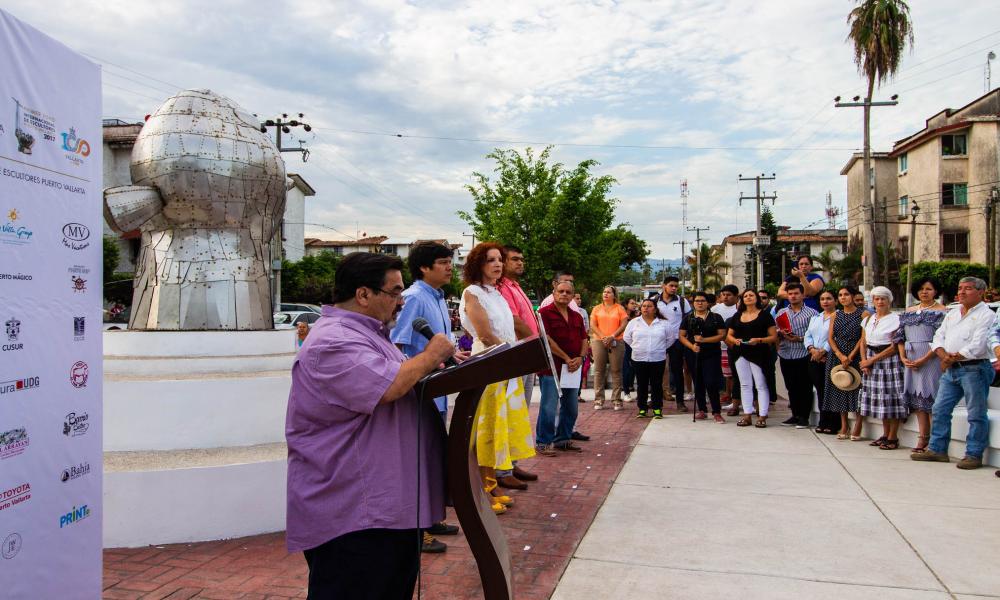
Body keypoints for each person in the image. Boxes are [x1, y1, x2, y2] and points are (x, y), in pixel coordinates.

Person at [285, 252, 456, 599]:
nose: (399, 303)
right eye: (394, 293)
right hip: (355, 512)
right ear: (363, 295)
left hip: (386, 508)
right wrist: (431, 355)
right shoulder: (333, 341)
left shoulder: (371, 335)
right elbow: (389, 386)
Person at [388, 240, 464, 553]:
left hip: (439, 392)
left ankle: (430, 518)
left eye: (450, 262)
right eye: (444, 262)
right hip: (420, 392)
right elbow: (398, 344)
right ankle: (416, 531)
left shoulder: (437, 297)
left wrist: (455, 356)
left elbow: (437, 345)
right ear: (424, 267)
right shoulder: (414, 298)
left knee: (432, 458)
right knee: (417, 461)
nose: (450, 267)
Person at [459, 242, 536, 504]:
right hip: (489, 363)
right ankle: (483, 489)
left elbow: (510, 330)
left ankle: (492, 485)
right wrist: (508, 357)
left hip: (505, 364)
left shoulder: (496, 293)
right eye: (490, 260)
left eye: (499, 260)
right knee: (486, 428)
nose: (497, 264)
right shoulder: (472, 293)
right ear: (478, 264)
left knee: (499, 427)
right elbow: (484, 334)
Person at [913, 277, 996, 469]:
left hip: (975, 368)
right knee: (940, 409)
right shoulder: (952, 313)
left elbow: (978, 344)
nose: (962, 292)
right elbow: (938, 337)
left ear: (980, 292)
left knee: (976, 413)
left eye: (968, 289)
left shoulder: (987, 315)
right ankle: (937, 449)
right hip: (951, 369)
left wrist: (952, 358)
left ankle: (974, 454)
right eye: (960, 288)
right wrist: (945, 357)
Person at [894, 277, 947, 453]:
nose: (924, 292)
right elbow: (899, 337)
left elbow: (941, 339)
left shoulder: (943, 312)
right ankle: (922, 436)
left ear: (936, 291)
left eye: (929, 289)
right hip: (910, 358)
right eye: (922, 289)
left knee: (931, 398)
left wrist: (924, 358)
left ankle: (935, 441)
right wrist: (903, 357)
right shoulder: (908, 311)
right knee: (917, 401)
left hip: (931, 357)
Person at [535, 280, 588, 454]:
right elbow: (547, 340)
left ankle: (563, 439)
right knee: (549, 407)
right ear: (554, 292)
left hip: (573, 369)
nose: (564, 294)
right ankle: (543, 442)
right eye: (561, 291)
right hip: (552, 367)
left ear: (572, 296)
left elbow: (583, 339)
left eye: (568, 292)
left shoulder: (577, 316)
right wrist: (566, 358)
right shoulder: (544, 313)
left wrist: (580, 357)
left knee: (571, 406)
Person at [858, 286, 907, 449]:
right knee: (880, 400)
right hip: (871, 361)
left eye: (883, 299)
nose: (880, 302)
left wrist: (871, 361)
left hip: (888, 362)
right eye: (877, 299)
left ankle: (893, 436)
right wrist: (865, 361)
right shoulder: (868, 319)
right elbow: (863, 342)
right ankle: (885, 434)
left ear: (889, 301)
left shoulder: (897, 319)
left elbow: (894, 346)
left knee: (891, 399)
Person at [725, 289, 778, 427]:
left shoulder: (765, 315)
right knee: (745, 384)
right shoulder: (737, 315)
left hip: (759, 353)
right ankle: (747, 414)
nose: (748, 298)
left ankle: (762, 415)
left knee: (760, 384)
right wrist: (734, 340)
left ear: (757, 298)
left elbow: (773, 336)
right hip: (740, 352)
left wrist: (759, 340)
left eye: (751, 295)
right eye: (745, 296)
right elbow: (729, 334)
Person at [825, 286, 869, 440]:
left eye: (846, 294)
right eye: (840, 295)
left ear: (853, 296)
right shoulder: (835, 315)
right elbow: (830, 337)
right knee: (840, 388)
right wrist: (839, 354)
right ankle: (844, 424)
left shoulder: (863, 314)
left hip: (855, 354)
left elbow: (863, 338)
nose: (843, 297)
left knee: (858, 389)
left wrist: (850, 356)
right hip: (837, 354)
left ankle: (858, 423)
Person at [497, 245, 539, 406]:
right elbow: (514, 321)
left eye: (522, 259)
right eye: (515, 259)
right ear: (504, 262)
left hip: (527, 352)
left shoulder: (515, 286)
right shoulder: (503, 287)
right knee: (515, 408)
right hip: (520, 352)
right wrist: (535, 345)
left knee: (523, 406)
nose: (520, 263)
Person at [679, 291, 727, 422]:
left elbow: (722, 335)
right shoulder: (688, 318)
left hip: (711, 353)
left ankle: (716, 411)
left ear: (708, 303)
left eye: (702, 301)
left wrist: (704, 340)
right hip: (693, 353)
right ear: (693, 303)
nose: (700, 303)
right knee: (698, 381)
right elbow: (682, 335)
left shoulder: (716, 317)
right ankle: (702, 409)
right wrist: (692, 346)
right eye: (697, 301)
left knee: (711, 381)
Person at [775, 283, 819, 428]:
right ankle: (794, 415)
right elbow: (776, 329)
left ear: (803, 295)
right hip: (786, 352)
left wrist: (799, 338)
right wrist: (781, 334)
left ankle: (804, 417)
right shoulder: (781, 312)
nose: (793, 296)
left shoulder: (812, 313)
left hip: (803, 353)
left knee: (804, 386)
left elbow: (813, 334)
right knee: (791, 386)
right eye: (790, 294)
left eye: (796, 293)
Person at [623, 298, 671, 419]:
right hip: (639, 358)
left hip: (658, 358)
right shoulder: (634, 322)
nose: (645, 308)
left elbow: (670, 339)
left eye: (649, 306)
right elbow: (626, 337)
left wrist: (660, 348)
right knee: (642, 384)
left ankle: (657, 408)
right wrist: (637, 347)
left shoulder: (663, 323)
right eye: (644, 306)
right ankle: (642, 409)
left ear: (655, 309)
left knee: (656, 384)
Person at [804, 290, 840, 434]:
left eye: (829, 299)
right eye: (822, 299)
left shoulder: (838, 317)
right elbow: (808, 335)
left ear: (835, 301)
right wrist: (812, 349)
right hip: (814, 357)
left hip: (830, 357)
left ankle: (834, 423)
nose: (825, 301)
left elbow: (836, 337)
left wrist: (823, 351)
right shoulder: (816, 317)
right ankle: (823, 421)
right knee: (820, 390)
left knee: (832, 390)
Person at [654, 276, 691, 412]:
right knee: (656, 371)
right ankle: (656, 400)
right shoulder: (654, 301)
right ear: (664, 286)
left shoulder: (682, 301)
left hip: (676, 341)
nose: (674, 288)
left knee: (677, 371)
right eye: (671, 285)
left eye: (676, 286)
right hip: (658, 341)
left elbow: (689, 319)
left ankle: (680, 401)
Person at [590, 285, 629, 410]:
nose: (605, 294)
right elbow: (593, 325)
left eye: (608, 292)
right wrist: (603, 337)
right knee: (598, 370)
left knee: (616, 370)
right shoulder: (596, 308)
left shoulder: (619, 308)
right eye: (604, 292)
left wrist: (612, 336)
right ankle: (598, 400)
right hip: (598, 341)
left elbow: (624, 324)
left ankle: (617, 400)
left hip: (616, 341)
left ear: (614, 295)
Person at [712, 284, 740, 415]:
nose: (725, 297)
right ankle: (727, 394)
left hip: (735, 346)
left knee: (735, 374)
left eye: (728, 295)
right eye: (723, 295)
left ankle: (735, 398)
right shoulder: (715, 308)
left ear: (736, 296)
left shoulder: (739, 308)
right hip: (719, 346)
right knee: (726, 374)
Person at [621, 298, 640, 402]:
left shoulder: (637, 317)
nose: (634, 305)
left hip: (635, 344)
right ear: (626, 304)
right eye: (632, 303)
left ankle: (639, 392)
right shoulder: (622, 315)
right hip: (624, 344)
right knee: (626, 368)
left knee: (637, 368)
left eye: (635, 304)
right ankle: (626, 392)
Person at [574, 292, 592, 394]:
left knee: (581, 369)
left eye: (580, 298)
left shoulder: (583, 312)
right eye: (577, 298)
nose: (579, 300)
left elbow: (587, 329)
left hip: (582, 343)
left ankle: (578, 393)